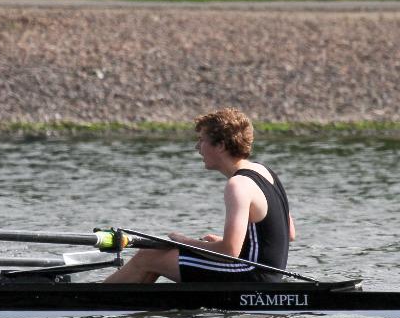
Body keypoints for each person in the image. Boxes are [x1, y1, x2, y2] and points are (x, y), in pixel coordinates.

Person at [105, 107, 295, 283]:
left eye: (202, 140)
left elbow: (229, 251)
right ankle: (129, 302)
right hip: (268, 274)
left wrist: (185, 242)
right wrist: (220, 244)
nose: (198, 147)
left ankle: (93, 300)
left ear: (220, 146)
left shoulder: (238, 185)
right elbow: (289, 233)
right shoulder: (265, 172)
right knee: (159, 258)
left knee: (149, 256)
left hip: (251, 275)